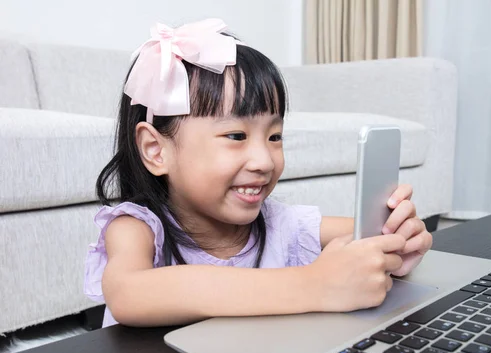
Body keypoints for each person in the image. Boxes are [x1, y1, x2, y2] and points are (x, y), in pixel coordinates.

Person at [84, 19, 433, 328]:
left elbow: (365, 237)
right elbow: (129, 294)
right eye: (236, 135)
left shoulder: (283, 224)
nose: (264, 161)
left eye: (274, 136)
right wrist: (313, 285)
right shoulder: (136, 228)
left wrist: (396, 242)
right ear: (156, 150)